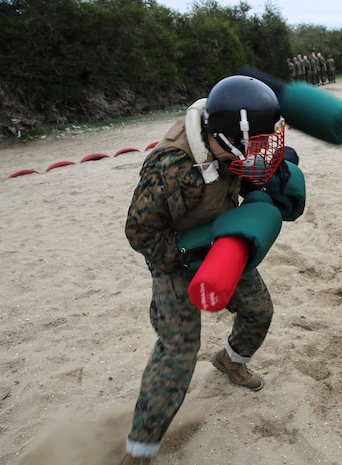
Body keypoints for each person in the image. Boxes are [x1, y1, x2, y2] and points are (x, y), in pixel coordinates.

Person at [120, 75, 304, 464]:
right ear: (228, 136)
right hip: (173, 253)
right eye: (256, 143)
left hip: (222, 241)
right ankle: (140, 451)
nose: (263, 148)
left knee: (259, 312)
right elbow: (139, 232)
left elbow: (256, 167)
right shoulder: (172, 168)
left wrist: (272, 177)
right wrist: (186, 253)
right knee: (178, 351)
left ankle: (230, 362)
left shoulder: (232, 142)